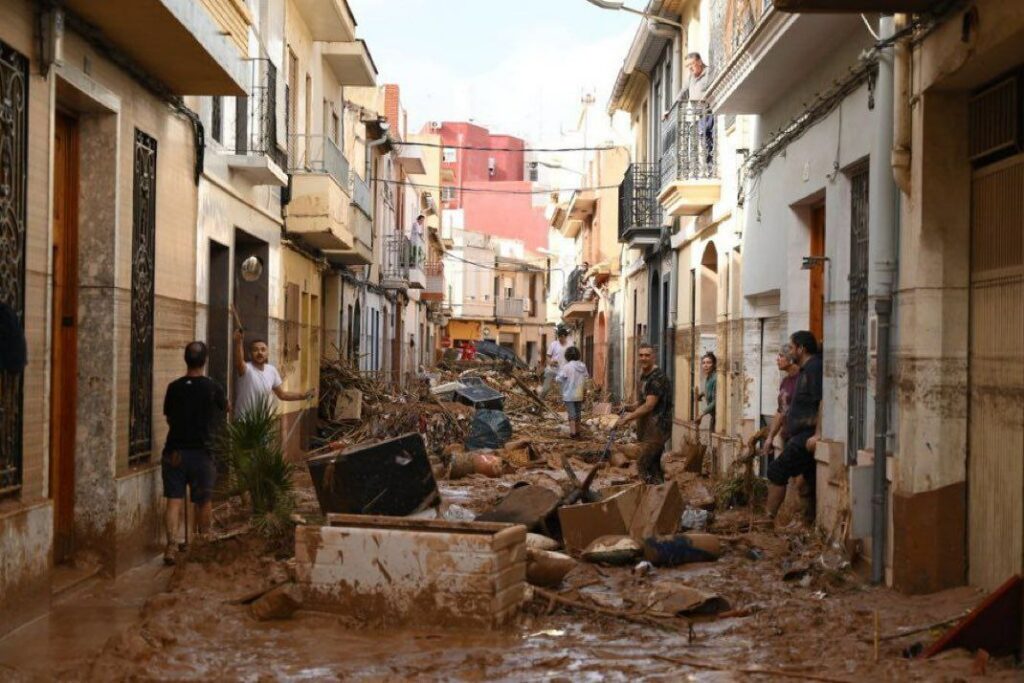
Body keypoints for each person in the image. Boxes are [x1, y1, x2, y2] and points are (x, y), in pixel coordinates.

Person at [161, 341, 227, 564]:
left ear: (185, 359)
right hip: (202, 453)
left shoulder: (174, 387)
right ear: (205, 360)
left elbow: (169, 417)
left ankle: (170, 547)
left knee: (174, 500)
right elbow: (225, 408)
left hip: (174, 452)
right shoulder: (213, 387)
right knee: (204, 501)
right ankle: (203, 543)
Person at [765, 331, 823, 520]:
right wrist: (771, 436)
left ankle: (768, 518)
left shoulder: (813, 368)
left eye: (791, 347)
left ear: (801, 348)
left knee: (776, 470)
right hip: (796, 434)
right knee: (806, 482)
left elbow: (822, 400)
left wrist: (817, 434)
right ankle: (806, 521)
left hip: (805, 436)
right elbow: (782, 411)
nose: (789, 352)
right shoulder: (805, 370)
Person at [616, 343, 673, 484]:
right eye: (641, 355)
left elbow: (649, 405)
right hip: (647, 429)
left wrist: (628, 418)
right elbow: (642, 402)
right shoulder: (643, 375)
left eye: (647, 355)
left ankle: (649, 496)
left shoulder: (657, 378)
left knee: (643, 463)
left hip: (658, 428)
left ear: (653, 357)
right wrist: (628, 407)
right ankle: (661, 496)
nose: (644, 358)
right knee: (654, 467)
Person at [232, 329, 314, 420]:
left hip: (262, 423)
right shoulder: (246, 369)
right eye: (256, 350)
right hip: (243, 420)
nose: (260, 353)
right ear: (250, 354)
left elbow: (282, 395)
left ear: (267, 353)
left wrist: (303, 396)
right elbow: (239, 362)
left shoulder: (271, 370)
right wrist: (239, 342)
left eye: (263, 350)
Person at [761, 345, 800, 460]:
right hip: (786, 435)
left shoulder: (802, 379)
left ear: (791, 359)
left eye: (781, 356)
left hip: (798, 436)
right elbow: (781, 411)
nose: (777, 359)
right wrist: (770, 437)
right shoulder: (785, 381)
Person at [684, 52, 715, 170]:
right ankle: (709, 169)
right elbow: (683, 92)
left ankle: (712, 167)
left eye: (691, 64)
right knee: (705, 143)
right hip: (700, 117)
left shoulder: (709, 73)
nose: (690, 68)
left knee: (712, 140)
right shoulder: (691, 78)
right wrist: (669, 109)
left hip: (711, 113)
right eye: (688, 66)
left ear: (699, 62)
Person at [556, 346, 588, 439]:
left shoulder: (567, 367)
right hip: (579, 393)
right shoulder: (583, 365)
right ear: (578, 355)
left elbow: (559, 379)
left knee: (572, 414)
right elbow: (586, 377)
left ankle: (573, 433)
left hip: (569, 394)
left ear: (567, 356)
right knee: (578, 413)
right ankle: (578, 433)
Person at [541, 325, 571, 398]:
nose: (560, 339)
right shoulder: (554, 344)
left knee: (563, 390)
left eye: (562, 337)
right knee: (546, 388)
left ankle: (562, 404)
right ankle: (540, 399)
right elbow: (548, 356)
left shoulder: (569, 346)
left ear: (565, 337)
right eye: (559, 337)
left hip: (562, 371)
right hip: (551, 369)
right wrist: (551, 362)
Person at [694, 351, 717, 430]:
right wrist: (702, 394)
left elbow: (715, 401)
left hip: (718, 416)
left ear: (714, 365)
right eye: (703, 363)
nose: (706, 365)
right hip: (713, 415)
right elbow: (710, 390)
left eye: (709, 363)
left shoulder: (715, 378)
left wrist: (701, 414)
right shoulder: (708, 378)